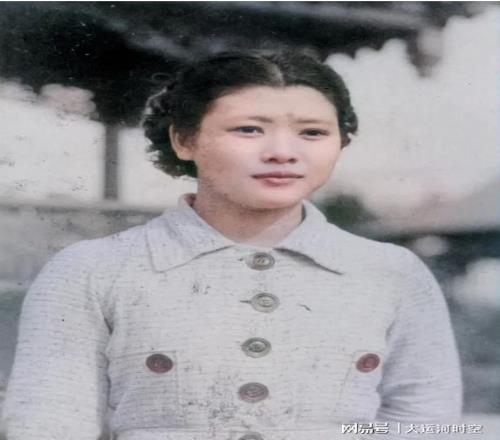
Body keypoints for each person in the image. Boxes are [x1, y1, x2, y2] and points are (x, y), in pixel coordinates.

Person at [2, 50, 462, 440]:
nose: (283, 152)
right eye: (249, 129)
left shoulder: (393, 274)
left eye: (312, 132)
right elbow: (48, 423)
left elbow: (423, 423)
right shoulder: (93, 269)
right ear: (184, 140)